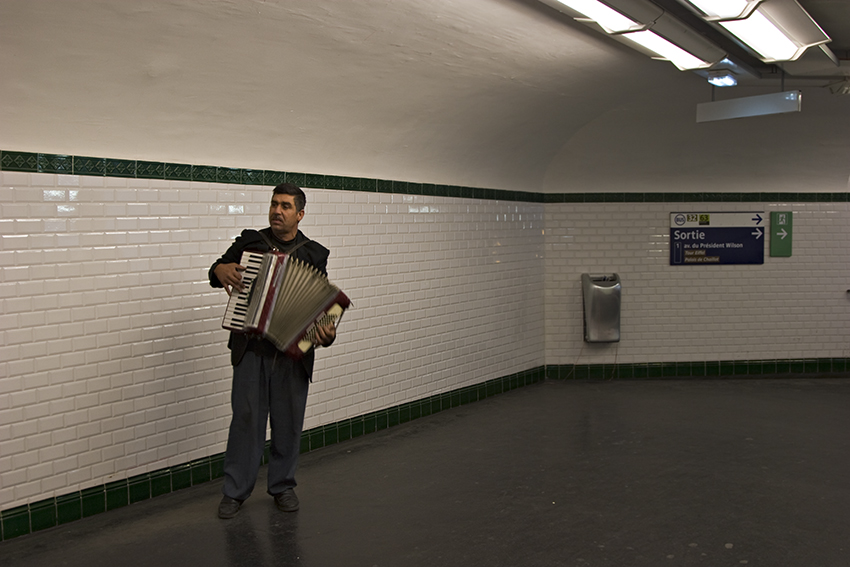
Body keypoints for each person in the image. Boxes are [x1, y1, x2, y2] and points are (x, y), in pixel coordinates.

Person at [209, 183, 336, 519]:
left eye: (285, 206)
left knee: (288, 423)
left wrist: (326, 334)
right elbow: (217, 270)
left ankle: (282, 486)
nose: (277, 211)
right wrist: (220, 270)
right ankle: (235, 491)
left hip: (292, 356)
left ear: (299, 214)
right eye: (274, 204)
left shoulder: (314, 254)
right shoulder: (251, 241)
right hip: (252, 348)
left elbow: (323, 312)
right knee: (246, 421)